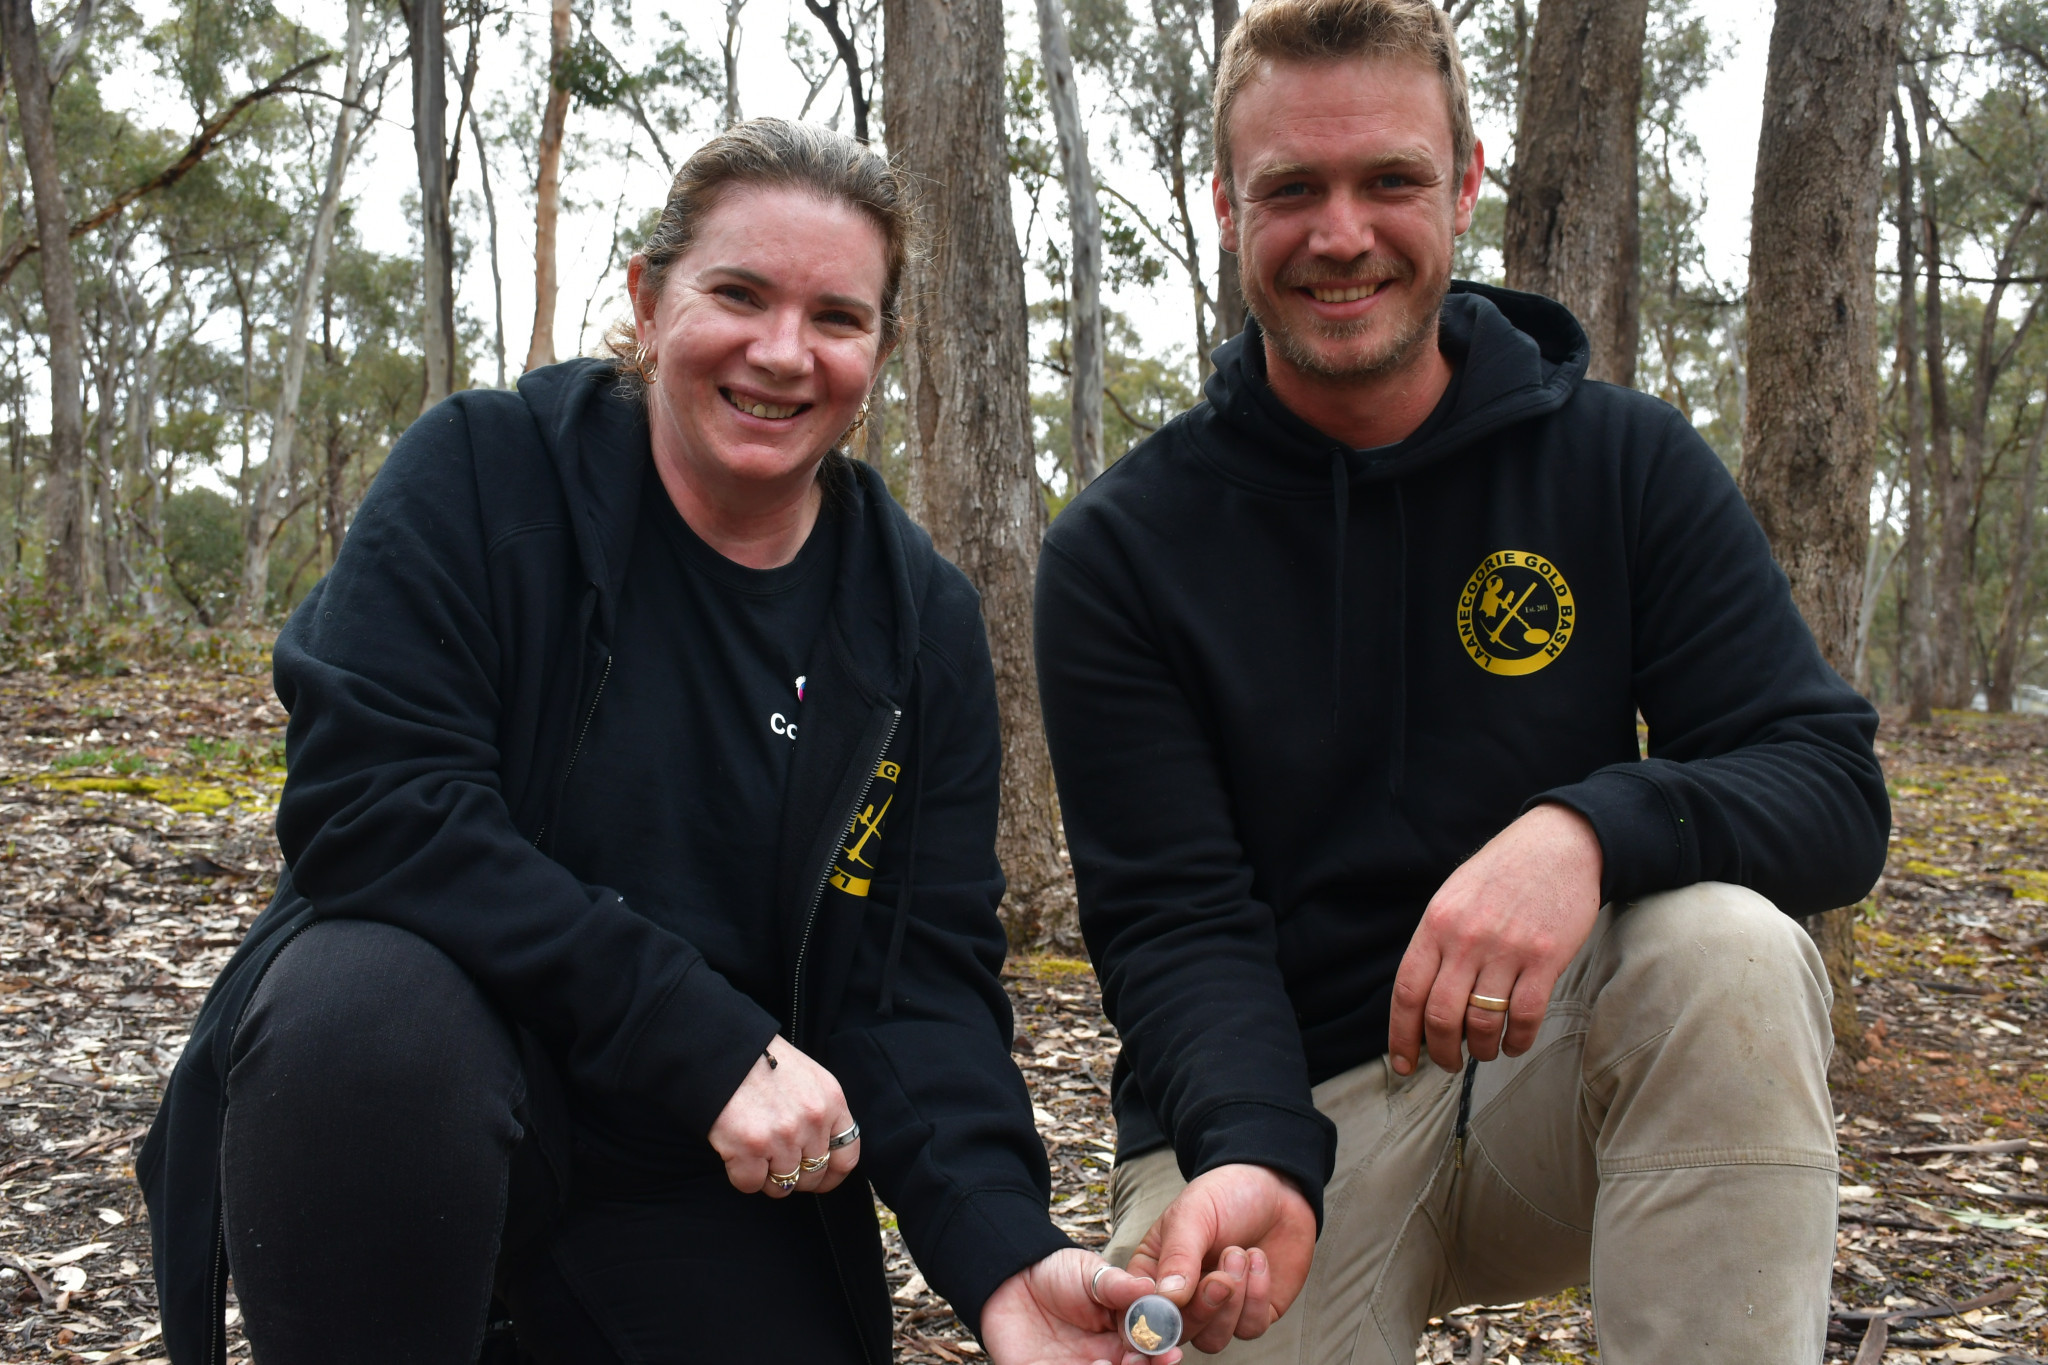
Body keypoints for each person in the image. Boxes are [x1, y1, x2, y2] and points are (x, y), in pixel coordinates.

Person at [140, 119, 1175, 1365]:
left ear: (878, 350)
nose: (781, 353)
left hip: (706, 1163)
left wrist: (1006, 1257)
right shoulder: (484, 474)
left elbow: (913, 988)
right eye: (736, 294)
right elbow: (375, 805)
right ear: (645, 299)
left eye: (836, 318)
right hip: (446, 1085)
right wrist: (700, 1038)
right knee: (364, 1016)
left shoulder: (914, 620)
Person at [1033, 2, 1889, 1361]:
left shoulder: (1623, 464)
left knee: (1728, 948)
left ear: (1468, 179)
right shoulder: (1122, 551)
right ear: (1223, 204)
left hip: (1561, 1078)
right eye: (1292, 189)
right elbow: (1175, 924)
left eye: (1391, 181)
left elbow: (1832, 790)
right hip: (1281, 1112)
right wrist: (1254, 1152)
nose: (1342, 234)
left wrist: (1588, 830)